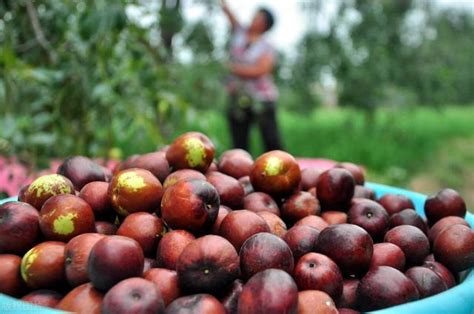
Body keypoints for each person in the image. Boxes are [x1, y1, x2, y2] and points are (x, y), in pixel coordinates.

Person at [220, 0, 283, 152]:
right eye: (255, 15)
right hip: (238, 95)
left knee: (271, 139)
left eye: (258, 17)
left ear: (265, 24)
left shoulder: (267, 45)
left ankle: (281, 167)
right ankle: (240, 171)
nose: (254, 18)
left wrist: (233, 69)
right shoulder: (240, 33)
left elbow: (261, 71)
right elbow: (228, 11)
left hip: (262, 98)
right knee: (239, 141)